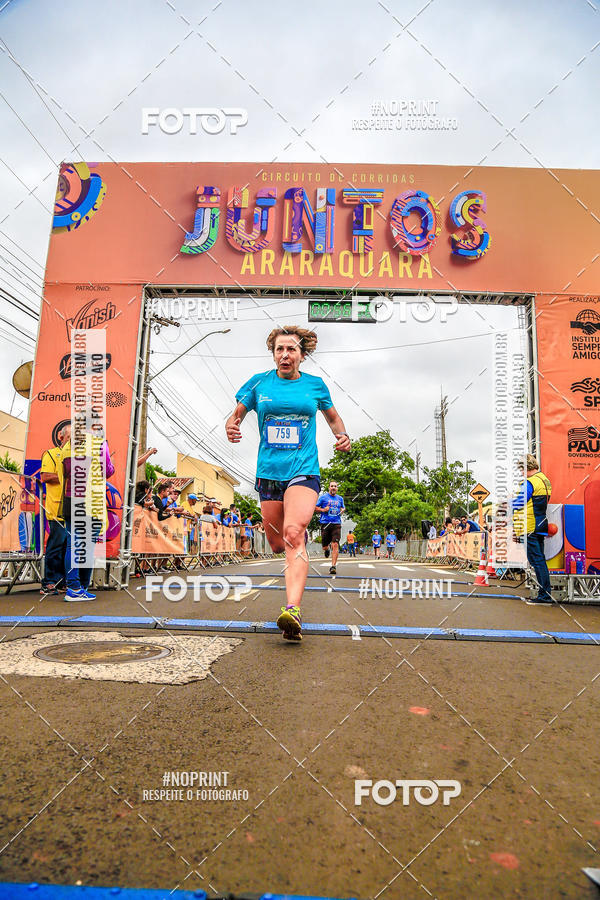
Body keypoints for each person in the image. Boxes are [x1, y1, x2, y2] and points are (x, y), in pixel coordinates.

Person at [225, 325, 350, 641]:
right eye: (279, 349)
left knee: (294, 534)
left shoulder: (315, 386)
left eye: (291, 349)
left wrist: (342, 435)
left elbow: (333, 417)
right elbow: (236, 414)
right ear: (273, 354)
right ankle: (297, 547)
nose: (284, 354)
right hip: (269, 472)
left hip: (304, 470)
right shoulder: (258, 383)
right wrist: (232, 424)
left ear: (302, 355)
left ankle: (292, 609)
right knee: (278, 543)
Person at [61, 423, 115, 601]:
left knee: (73, 544)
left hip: (71, 499)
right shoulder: (100, 444)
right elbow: (108, 470)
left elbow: (65, 471)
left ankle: (75, 587)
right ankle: (80, 587)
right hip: (92, 501)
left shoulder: (68, 445)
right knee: (88, 546)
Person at [513, 454, 553, 604]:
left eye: (521, 470)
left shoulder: (530, 482)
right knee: (540, 560)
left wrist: (507, 506)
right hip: (541, 524)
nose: (521, 474)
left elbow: (519, 502)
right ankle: (545, 593)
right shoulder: (544, 480)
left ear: (526, 468)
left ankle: (544, 595)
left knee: (537, 561)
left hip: (529, 526)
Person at [39, 422, 71, 595]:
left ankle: (62, 581)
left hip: (73, 509)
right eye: (69, 437)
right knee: (56, 546)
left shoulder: (78, 456)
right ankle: (49, 582)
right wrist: (68, 477)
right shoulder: (51, 454)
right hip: (56, 508)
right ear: (60, 436)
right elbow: (44, 476)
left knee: (68, 547)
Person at [315, 480, 345, 575]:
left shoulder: (340, 499)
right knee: (324, 546)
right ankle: (326, 549)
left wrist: (342, 510)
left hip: (336, 523)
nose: (333, 488)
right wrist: (323, 509)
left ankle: (333, 566)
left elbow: (343, 508)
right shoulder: (323, 498)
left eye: (335, 486)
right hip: (325, 523)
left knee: (335, 544)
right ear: (329, 488)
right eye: (332, 486)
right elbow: (314, 508)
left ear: (337, 488)